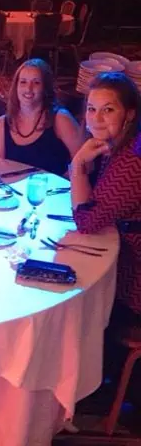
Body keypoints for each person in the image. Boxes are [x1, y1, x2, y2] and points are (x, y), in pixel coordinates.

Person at [71, 72, 141, 328]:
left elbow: (87, 221)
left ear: (129, 114)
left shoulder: (133, 161)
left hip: (131, 280)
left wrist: (76, 164)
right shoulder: (122, 145)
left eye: (108, 110)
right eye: (91, 109)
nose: (96, 119)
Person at [0, 58, 83, 176]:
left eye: (36, 83)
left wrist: (62, 183)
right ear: (16, 87)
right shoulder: (1, 124)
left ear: (45, 88)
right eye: (23, 82)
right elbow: (0, 169)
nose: (28, 89)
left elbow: (85, 163)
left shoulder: (61, 119)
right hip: (13, 192)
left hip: (54, 191)